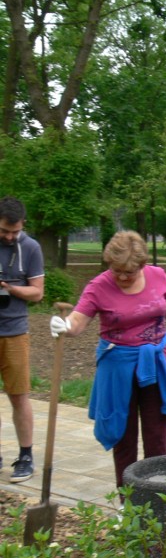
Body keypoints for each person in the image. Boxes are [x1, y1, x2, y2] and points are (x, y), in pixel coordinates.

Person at [49, 231, 166, 488]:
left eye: (129, 272)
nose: (121, 277)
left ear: (142, 266)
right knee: (124, 437)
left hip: (157, 364)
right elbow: (77, 322)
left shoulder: (158, 276)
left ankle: (156, 499)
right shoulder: (98, 286)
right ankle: (127, 505)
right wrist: (64, 325)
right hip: (118, 369)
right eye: (116, 270)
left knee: (157, 436)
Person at [0, 196, 44, 483]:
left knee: (19, 396)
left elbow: (37, 293)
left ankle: (25, 456)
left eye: (14, 231)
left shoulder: (30, 248)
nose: (9, 236)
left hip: (14, 332)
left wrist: (8, 288)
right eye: (4, 230)